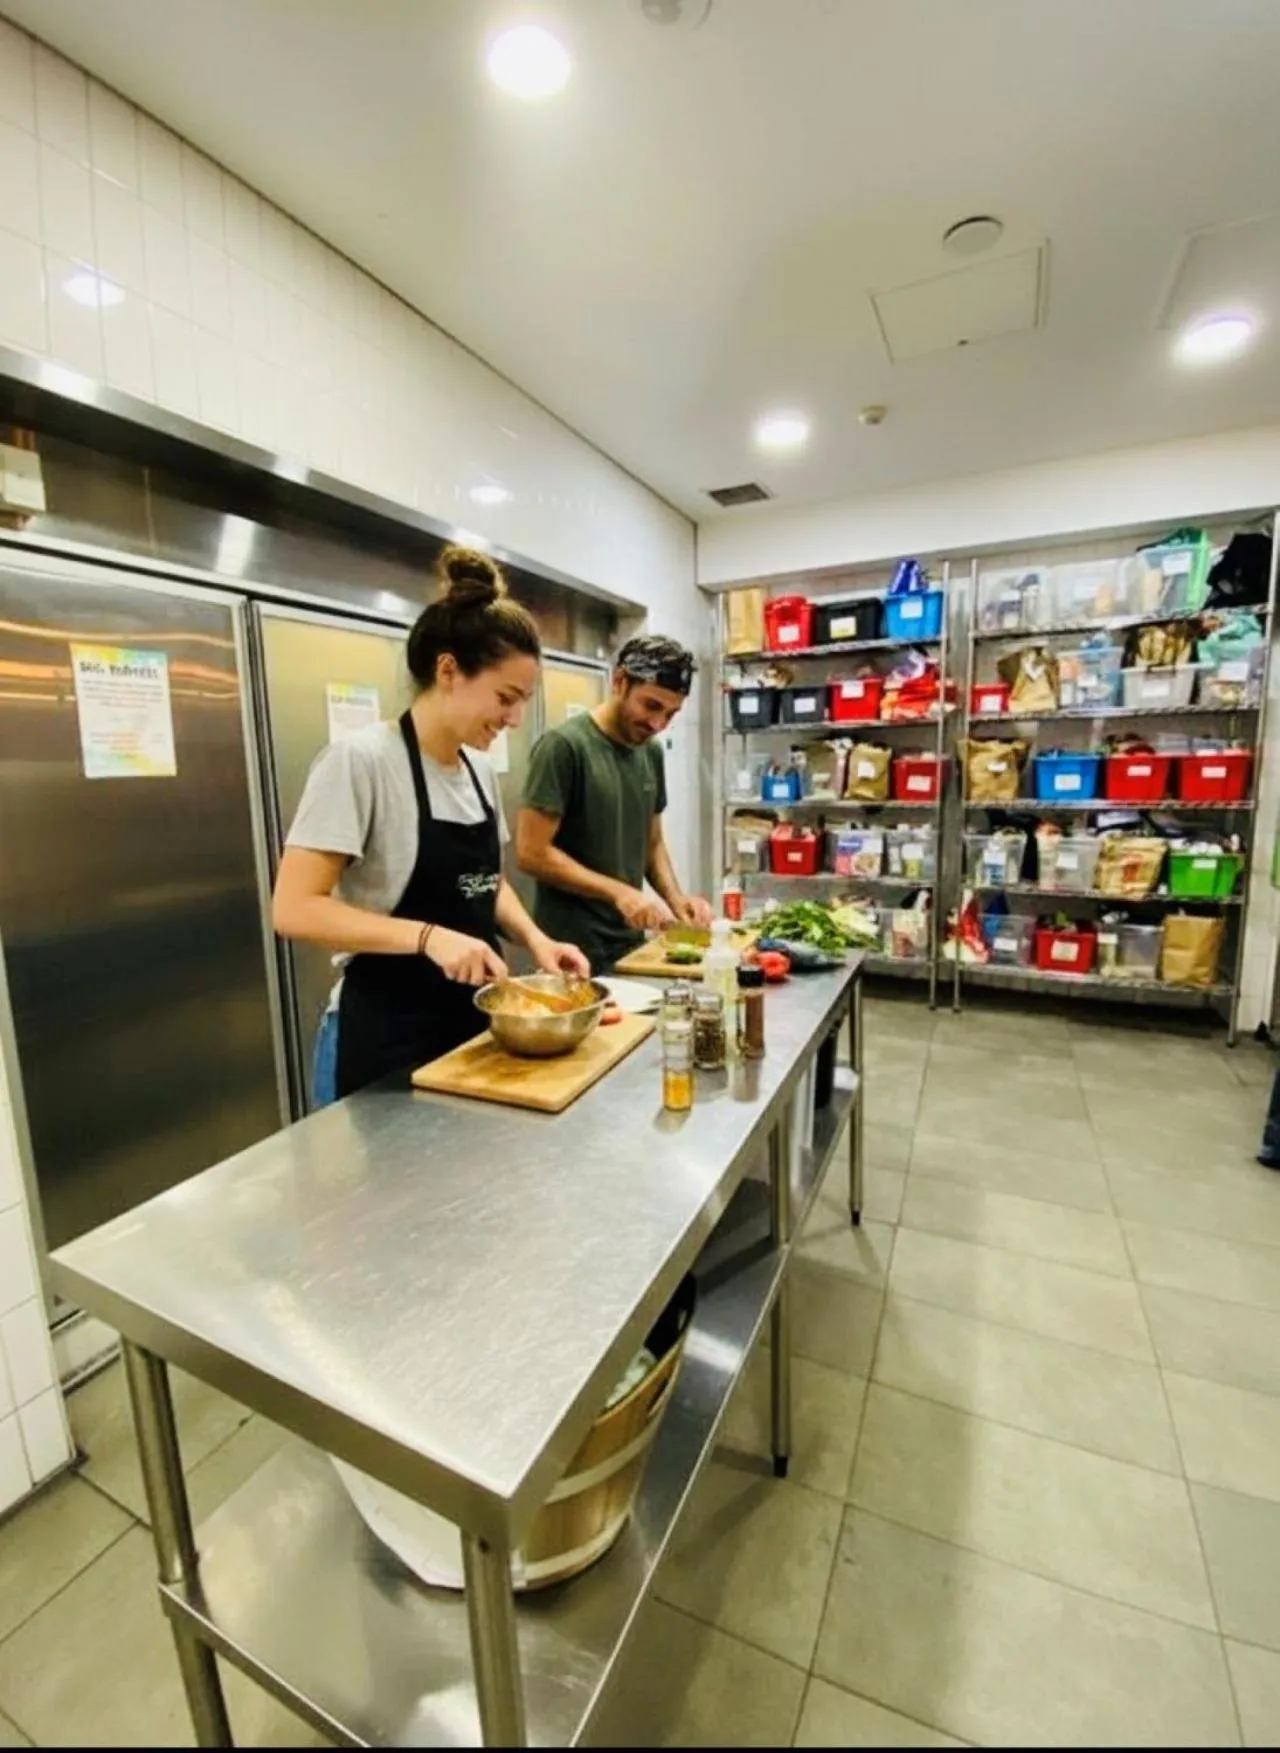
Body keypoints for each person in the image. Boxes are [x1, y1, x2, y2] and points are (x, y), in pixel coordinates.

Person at [273, 545, 590, 1103]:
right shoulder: (363, 760)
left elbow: (484, 882)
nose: (515, 719)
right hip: (385, 1033)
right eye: (505, 697)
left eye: (523, 702)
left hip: (467, 1029)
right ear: (448, 670)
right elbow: (295, 909)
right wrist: (426, 937)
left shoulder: (477, 768)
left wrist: (537, 940)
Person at [516, 633, 712, 974]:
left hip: (630, 943)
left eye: (670, 714)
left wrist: (676, 900)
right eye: (651, 706)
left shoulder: (650, 752)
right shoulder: (564, 746)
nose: (658, 724)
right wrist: (618, 892)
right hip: (572, 950)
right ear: (619, 681)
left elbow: (652, 844)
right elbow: (531, 852)